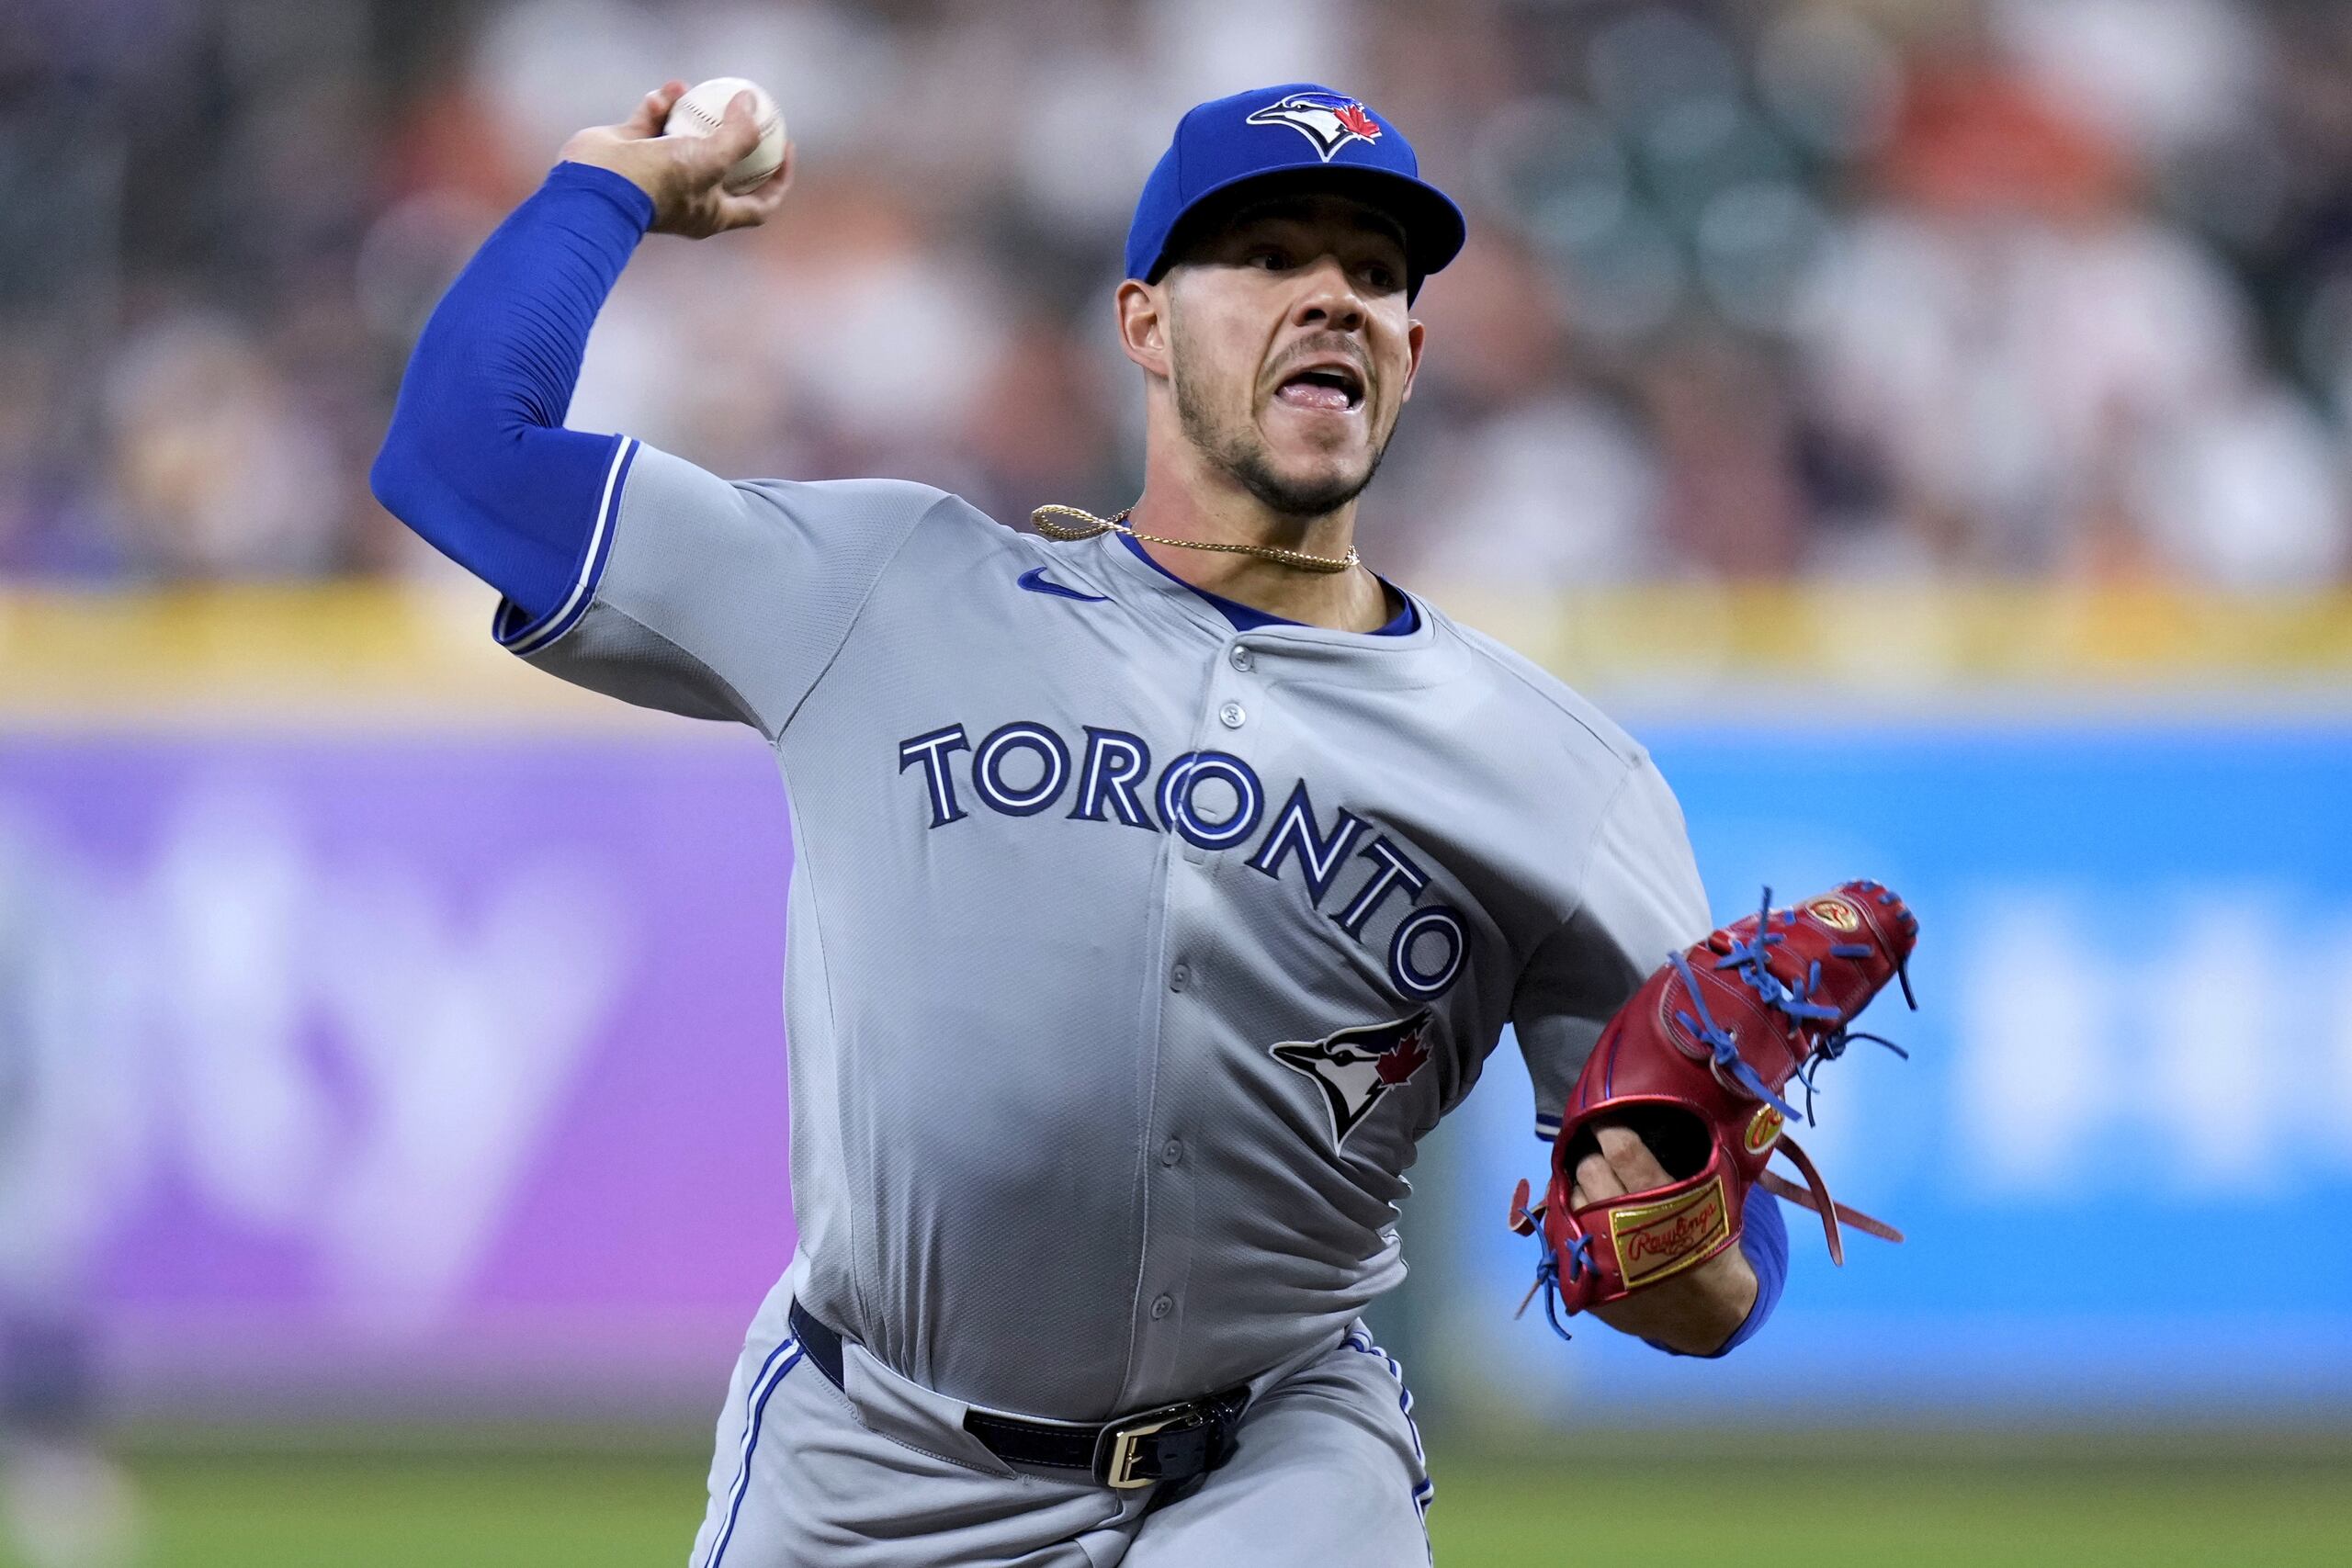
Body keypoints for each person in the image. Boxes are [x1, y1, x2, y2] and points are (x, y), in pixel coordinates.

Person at [371, 78, 1787, 1568]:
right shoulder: (886, 586)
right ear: (1145, 326)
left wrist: (1674, 1251)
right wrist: (607, 190)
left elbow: (1711, 1279)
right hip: (867, 1463)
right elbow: (458, 454)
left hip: (1280, 1469)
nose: (1332, 298)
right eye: (1266, 255)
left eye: (1374, 274)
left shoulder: (1559, 775)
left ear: (1414, 354)